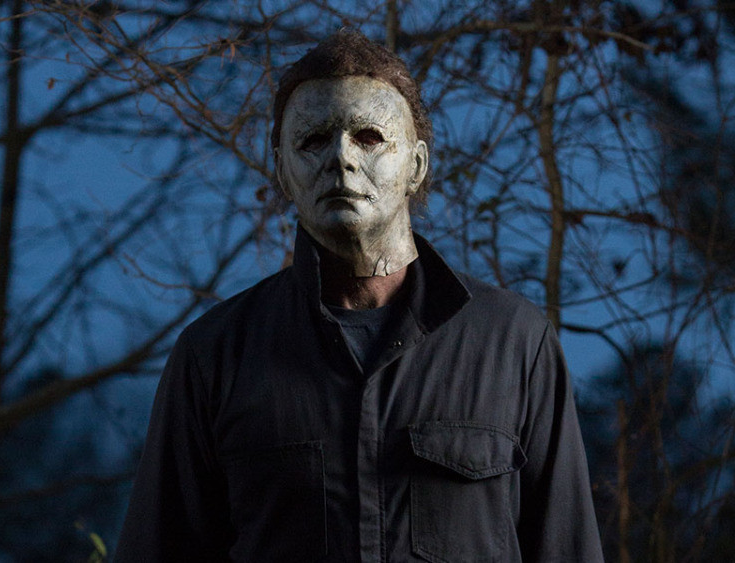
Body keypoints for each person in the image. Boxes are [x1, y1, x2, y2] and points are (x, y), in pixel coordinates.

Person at [116, 30, 603, 563]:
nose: (341, 159)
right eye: (313, 141)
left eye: (369, 137)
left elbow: (566, 547)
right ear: (282, 170)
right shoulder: (214, 354)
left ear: (416, 166)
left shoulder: (514, 343)